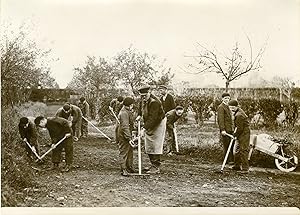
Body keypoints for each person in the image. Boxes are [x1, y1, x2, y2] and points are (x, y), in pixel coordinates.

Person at [137, 85, 166, 174]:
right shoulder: (143, 99)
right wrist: (139, 115)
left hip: (158, 123)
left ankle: (156, 167)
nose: (143, 98)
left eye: (145, 96)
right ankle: (152, 164)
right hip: (150, 122)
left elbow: (153, 118)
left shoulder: (155, 102)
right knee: (148, 143)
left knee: (155, 144)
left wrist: (144, 128)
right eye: (142, 96)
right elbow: (140, 107)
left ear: (149, 93)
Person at [228, 99, 251, 174]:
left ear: (236, 106)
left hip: (244, 134)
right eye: (230, 107)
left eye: (232, 107)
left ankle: (245, 169)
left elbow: (240, 128)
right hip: (241, 132)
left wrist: (235, 135)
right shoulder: (238, 112)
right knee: (237, 150)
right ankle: (237, 165)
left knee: (243, 150)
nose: (231, 109)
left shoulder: (239, 115)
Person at [116, 97, 136, 176]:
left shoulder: (127, 111)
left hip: (128, 133)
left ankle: (129, 167)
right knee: (124, 151)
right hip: (123, 134)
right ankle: (123, 169)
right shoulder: (124, 113)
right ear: (130, 105)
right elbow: (125, 126)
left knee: (130, 151)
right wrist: (129, 138)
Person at [217, 92, 234, 164]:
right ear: (222, 99)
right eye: (225, 98)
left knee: (231, 144)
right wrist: (223, 129)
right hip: (225, 130)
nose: (227, 100)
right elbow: (220, 119)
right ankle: (227, 160)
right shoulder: (221, 107)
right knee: (226, 145)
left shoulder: (228, 106)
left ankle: (231, 159)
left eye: (228, 98)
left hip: (230, 129)